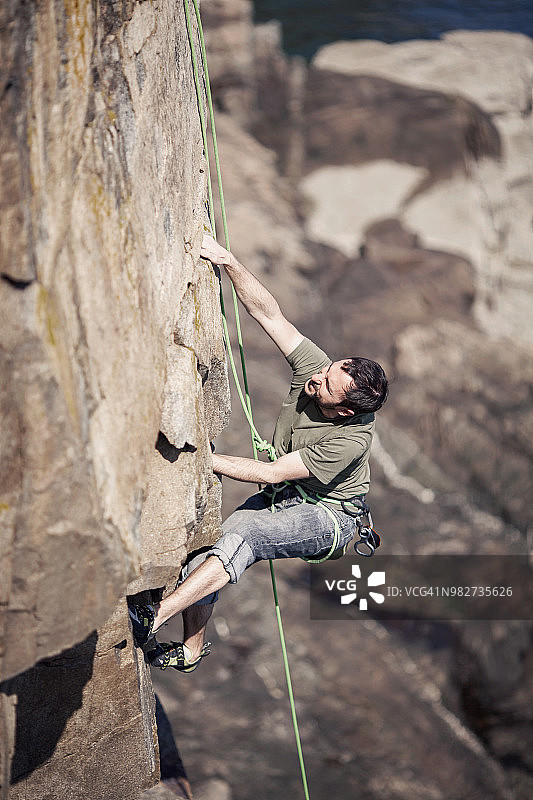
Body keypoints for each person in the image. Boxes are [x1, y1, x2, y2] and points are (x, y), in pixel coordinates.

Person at [128, 235, 388, 672]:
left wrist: (199, 459)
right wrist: (228, 260)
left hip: (331, 515)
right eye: (328, 368)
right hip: (293, 492)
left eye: (326, 384)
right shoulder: (318, 371)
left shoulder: (351, 439)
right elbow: (270, 313)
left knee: (245, 535)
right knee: (204, 556)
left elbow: (271, 474)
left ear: (345, 409)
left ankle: (156, 616)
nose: (316, 378)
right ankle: (191, 650)